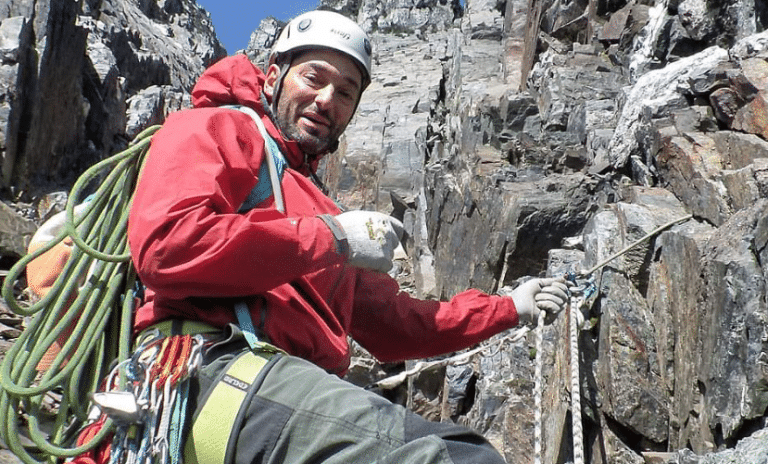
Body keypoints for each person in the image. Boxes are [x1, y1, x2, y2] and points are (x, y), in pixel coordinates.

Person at [127, 10, 569, 464]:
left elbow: (394, 324)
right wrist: (332, 237)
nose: (325, 100)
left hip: (279, 393)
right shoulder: (217, 128)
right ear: (274, 75)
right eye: (313, 78)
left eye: (344, 93)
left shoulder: (317, 205)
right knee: (453, 458)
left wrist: (507, 308)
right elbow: (167, 244)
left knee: (460, 450)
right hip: (216, 369)